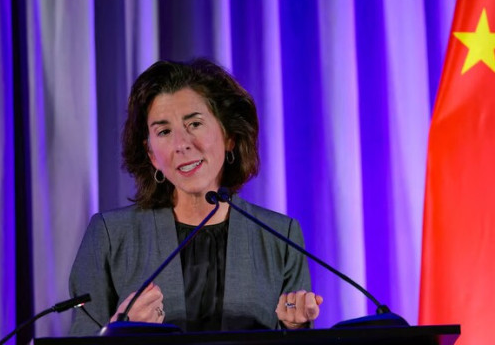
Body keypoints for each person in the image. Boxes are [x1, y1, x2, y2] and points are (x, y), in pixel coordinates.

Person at [68, 59, 322, 335]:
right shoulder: (109, 236)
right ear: (152, 154)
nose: (181, 144)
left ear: (229, 137)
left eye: (195, 124)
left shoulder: (280, 237)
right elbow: (81, 342)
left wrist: (294, 327)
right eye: (164, 131)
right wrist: (117, 329)